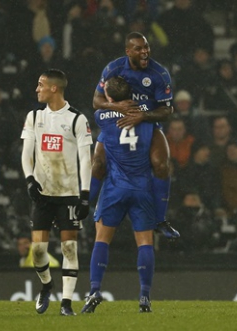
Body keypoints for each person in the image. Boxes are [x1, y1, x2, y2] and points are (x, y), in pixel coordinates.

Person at [90, 31, 179, 240]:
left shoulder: (159, 74)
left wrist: (143, 115)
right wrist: (115, 105)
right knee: (98, 164)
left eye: (146, 47)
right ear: (128, 51)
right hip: (116, 119)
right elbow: (96, 101)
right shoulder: (113, 68)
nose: (144, 52)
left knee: (162, 164)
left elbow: (167, 110)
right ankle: (83, 208)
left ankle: (160, 220)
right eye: (138, 49)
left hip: (148, 122)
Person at [81, 76, 157, 314]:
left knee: (102, 239)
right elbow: (155, 109)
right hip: (142, 187)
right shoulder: (147, 115)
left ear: (110, 97)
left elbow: (98, 161)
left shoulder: (101, 117)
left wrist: (88, 196)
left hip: (115, 186)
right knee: (145, 242)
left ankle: (94, 290)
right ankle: (144, 296)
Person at [21, 69, 92, 316]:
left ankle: (66, 303)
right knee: (38, 251)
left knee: (69, 249)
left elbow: (86, 159)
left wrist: (85, 194)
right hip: (43, 193)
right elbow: (26, 152)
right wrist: (30, 180)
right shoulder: (34, 116)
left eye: (40, 85)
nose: (37, 89)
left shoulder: (77, 119)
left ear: (54, 88)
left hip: (68, 194)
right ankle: (46, 285)